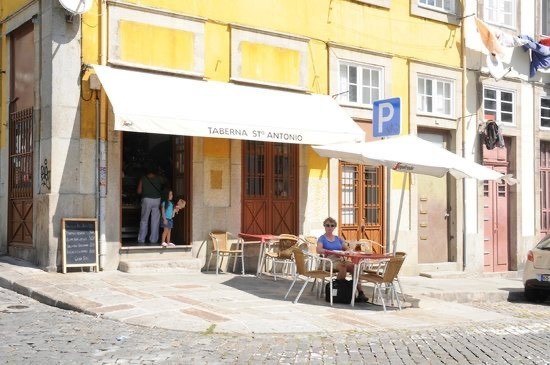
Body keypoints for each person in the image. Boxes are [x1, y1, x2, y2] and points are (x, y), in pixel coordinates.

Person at [316, 217, 368, 302]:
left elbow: (345, 248)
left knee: (354, 267)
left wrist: (348, 251)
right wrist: (330, 251)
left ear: (334, 227)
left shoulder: (338, 238)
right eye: (327, 225)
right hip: (328, 260)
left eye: (332, 225)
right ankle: (340, 290)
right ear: (324, 226)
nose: (330, 227)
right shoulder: (322, 238)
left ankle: (360, 292)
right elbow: (318, 250)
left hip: (340, 258)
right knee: (343, 267)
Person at [136, 164, 164, 245]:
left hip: (146, 200)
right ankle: (154, 240)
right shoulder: (160, 178)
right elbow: (165, 187)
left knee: (144, 220)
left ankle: (141, 239)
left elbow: (139, 191)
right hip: (157, 200)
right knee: (155, 221)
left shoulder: (143, 178)